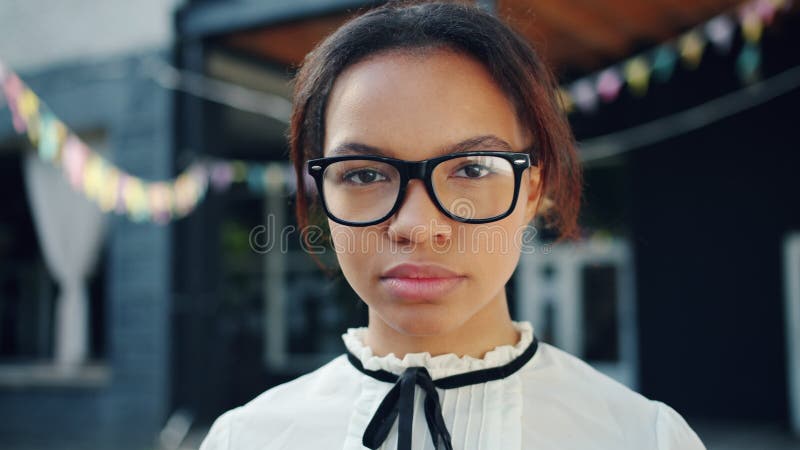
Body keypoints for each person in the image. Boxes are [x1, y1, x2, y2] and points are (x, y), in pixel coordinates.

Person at [199, 1, 706, 449]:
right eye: (365, 173)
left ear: (532, 189)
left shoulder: (642, 437)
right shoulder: (247, 437)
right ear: (322, 192)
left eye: (471, 168)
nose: (418, 227)